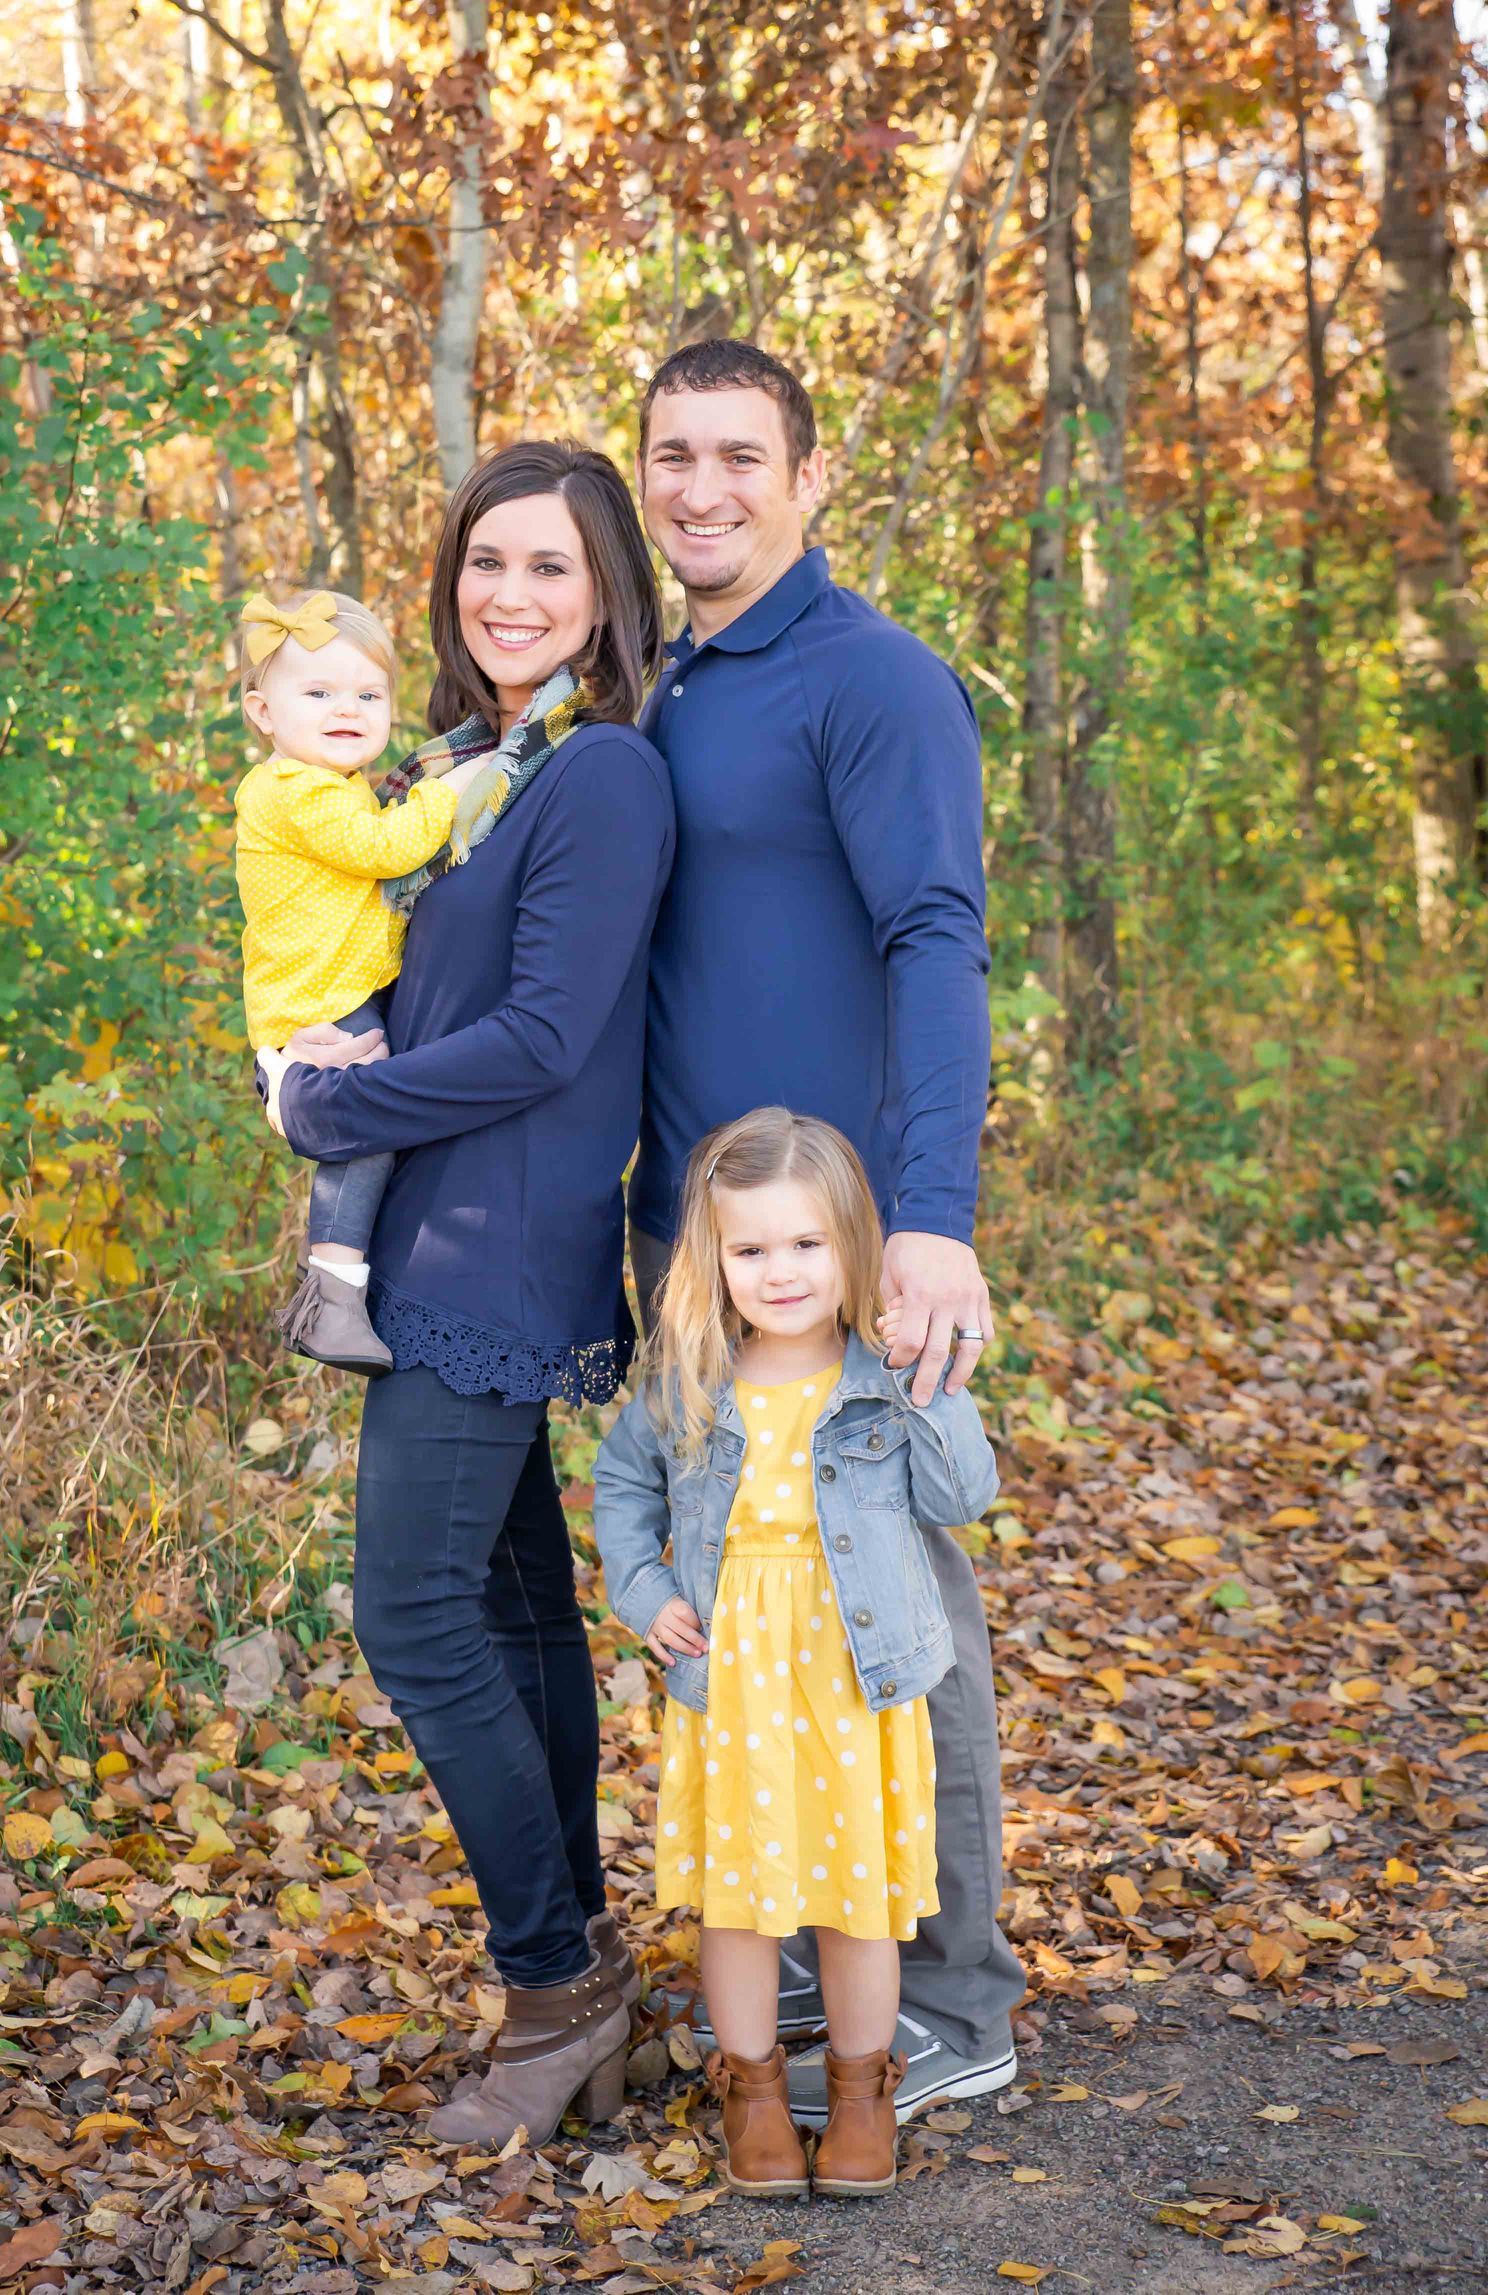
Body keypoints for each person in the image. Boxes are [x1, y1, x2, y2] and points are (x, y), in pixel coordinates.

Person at [255, 441, 676, 2146]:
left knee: (413, 1612)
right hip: (445, 1232)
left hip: (498, 1245)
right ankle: (584, 1970)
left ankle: (552, 1978)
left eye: (552, 569)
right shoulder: (476, 768)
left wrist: (332, 1105)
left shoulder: (600, 781)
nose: (510, 594)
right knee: (506, 1615)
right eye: (485, 562)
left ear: (607, 597)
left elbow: (547, 1039)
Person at [630, 338, 1025, 2120]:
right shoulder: (662, 685)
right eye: (672, 454)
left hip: (844, 1254)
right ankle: (808, 1980)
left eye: (738, 454)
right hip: (701, 1256)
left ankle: (952, 2005)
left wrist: (930, 1222)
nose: (702, 487)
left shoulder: (875, 681)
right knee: (744, 1605)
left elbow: (938, 937)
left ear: (808, 476)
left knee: (887, 1617)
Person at [595, 1108, 998, 2195]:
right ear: (714, 1260)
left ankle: (864, 2085)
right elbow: (624, 1486)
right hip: (733, 1674)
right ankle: (755, 2086)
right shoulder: (691, 1376)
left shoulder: (882, 1372)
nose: (780, 1272)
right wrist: (643, 1591)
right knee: (739, 1897)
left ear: (852, 1247)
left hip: (854, 1678)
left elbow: (964, 1495)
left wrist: (929, 1368)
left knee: (855, 1899)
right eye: (751, 1248)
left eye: (807, 1244)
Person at [232, 588, 495, 1373]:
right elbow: (386, 850)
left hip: (331, 985)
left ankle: (341, 1285)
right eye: (318, 693)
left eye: (368, 694)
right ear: (263, 713)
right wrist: (449, 793)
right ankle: (334, 1295)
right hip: (324, 999)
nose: (347, 708)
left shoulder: (329, 783)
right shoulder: (296, 790)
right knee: (366, 1130)